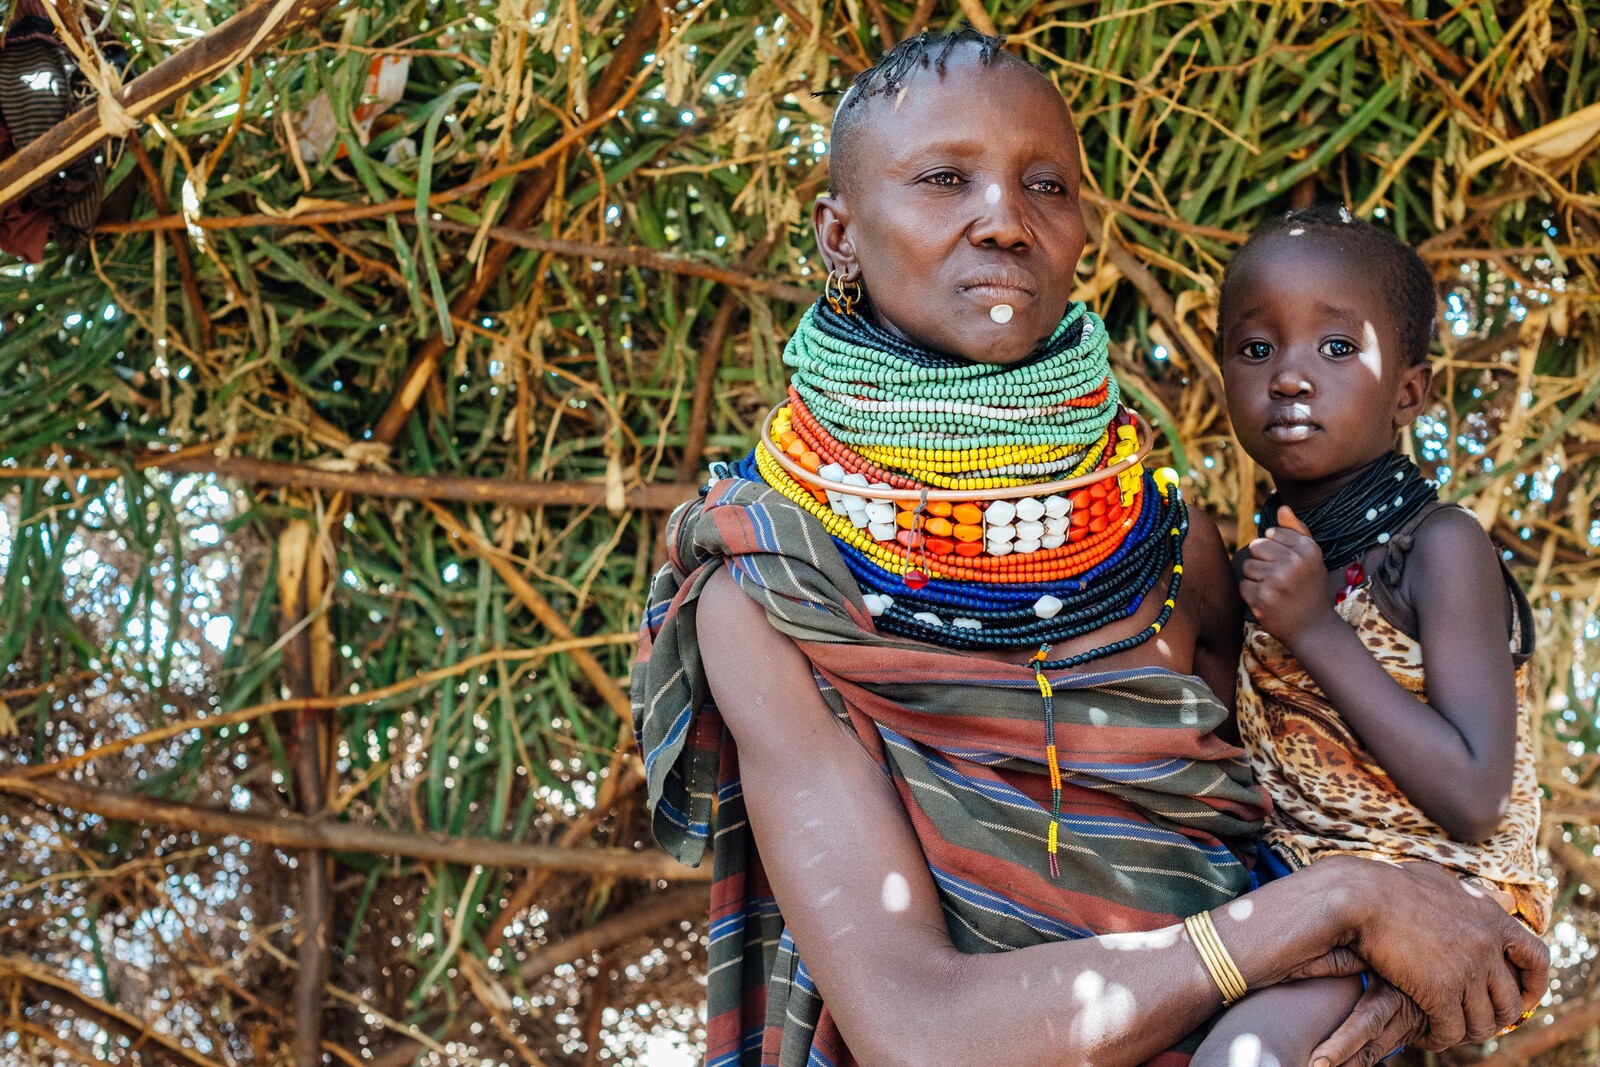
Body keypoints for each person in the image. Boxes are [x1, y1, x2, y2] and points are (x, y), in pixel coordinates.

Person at [631, 29, 1548, 1067]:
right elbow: (918, 1031)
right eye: (944, 179)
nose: (1004, 222)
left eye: (1046, 187)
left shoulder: (1169, 550)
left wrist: (1389, 951)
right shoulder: (774, 585)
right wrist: (1341, 906)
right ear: (839, 233)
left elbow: (1354, 833)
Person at [1189, 206, 1550, 1067]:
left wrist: (1316, 628)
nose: (1289, 377)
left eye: (1338, 348)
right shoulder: (1267, 571)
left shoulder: (1440, 548)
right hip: (1298, 887)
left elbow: (1474, 794)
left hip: (1440, 898)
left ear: (1411, 390)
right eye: (1256, 348)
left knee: (1245, 1054)